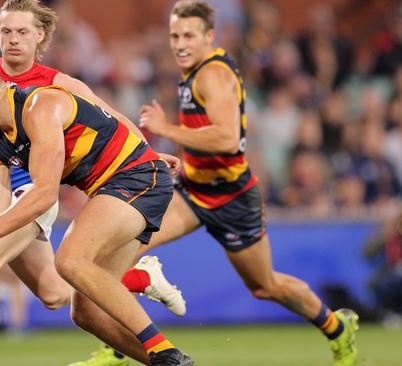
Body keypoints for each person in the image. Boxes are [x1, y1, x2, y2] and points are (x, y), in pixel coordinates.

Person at [0, 2, 185, 366]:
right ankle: (147, 306)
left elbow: (53, 183)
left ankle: (165, 351)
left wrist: (151, 151)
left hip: (126, 177)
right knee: (74, 305)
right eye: (6, 31)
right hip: (97, 188)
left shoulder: (45, 99)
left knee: (59, 261)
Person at [123, 2, 357, 365]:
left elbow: (228, 139)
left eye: (189, 35)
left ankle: (336, 327)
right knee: (125, 249)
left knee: (265, 286)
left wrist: (166, 128)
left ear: (209, 37)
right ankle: (124, 348)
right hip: (193, 191)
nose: (180, 43)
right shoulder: (194, 70)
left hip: (232, 197)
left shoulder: (211, 75)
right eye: (175, 35)